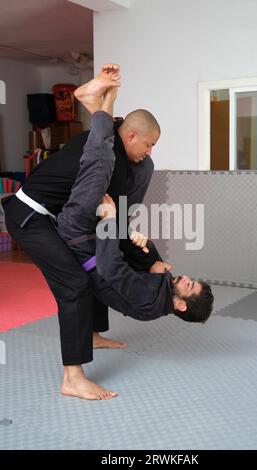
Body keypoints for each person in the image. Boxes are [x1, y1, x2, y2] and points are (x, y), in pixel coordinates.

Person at [3, 65, 165, 400]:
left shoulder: (112, 146)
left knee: (94, 261)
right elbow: (106, 137)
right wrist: (99, 98)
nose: (150, 153)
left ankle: (90, 333)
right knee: (74, 283)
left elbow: (112, 128)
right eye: (148, 145)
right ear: (132, 136)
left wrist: (106, 96)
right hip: (29, 216)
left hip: (51, 215)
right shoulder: (102, 150)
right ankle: (72, 378)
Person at [55, 70, 214, 398]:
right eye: (191, 279)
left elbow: (111, 267)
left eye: (188, 286)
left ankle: (97, 105)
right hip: (100, 238)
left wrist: (113, 221)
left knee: (98, 165)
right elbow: (133, 260)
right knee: (138, 170)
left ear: (181, 306)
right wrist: (149, 252)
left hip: (79, 237)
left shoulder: (148, 298)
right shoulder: (160, 289)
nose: (185, 278)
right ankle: (107, 106)